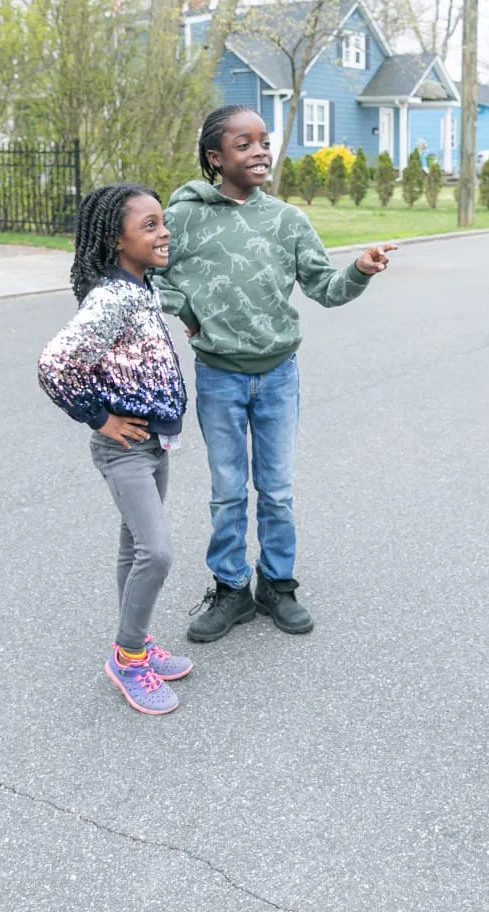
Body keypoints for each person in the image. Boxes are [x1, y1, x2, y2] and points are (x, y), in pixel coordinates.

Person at [154, 105, 395, 643]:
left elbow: (325, 290)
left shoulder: (288, 221)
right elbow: (153, 275)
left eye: (264, 141)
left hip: (279, 376)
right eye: (244, 144)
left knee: (278, 490)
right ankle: (231, 589)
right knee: (227, 491)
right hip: (219, 378)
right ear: (216, 158)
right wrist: (189, 313)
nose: (260, 151)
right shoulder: (187, 216)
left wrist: (358, 270)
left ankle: (278, 586)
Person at [37, 182, 193, 716]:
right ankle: (128, 658)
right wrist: (100, 419)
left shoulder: (140, 287)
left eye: (162, 221)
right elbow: (56, 364)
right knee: (157, 551)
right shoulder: (111, 297)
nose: (163, 231)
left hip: (153, 444)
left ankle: (140, 639)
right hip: (124, 449)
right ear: (115, 237)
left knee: (134, 549)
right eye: (149, 225)